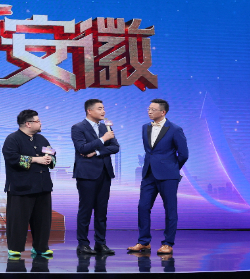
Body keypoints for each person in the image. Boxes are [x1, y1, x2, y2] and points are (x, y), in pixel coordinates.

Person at [127, 99, 189, 255]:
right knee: (143, 207)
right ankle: (144, 242)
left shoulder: (175, 129)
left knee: (170, 209)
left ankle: (168, 243)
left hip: (168, 175)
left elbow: (184, 154)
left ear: (163, 112)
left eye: (153, 109)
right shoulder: (145, 127)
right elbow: (150, 151)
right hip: (149, 174)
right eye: (148, 109)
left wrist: (172, 168)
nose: (149, 112)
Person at [3, 109, 56, 258]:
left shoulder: (42, 139)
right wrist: (35, 159)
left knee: (43, 220)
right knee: (18, 220)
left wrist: (50, 159)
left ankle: (41, 247)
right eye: (38, 121)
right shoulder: (12, 139)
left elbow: (52, 154)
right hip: (21, 187)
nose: (40, 123)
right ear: (28, 123)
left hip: (43, 185)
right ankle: (15, 248)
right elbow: (12, 158)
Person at [70, 99, 120, 255]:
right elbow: (82, 148)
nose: (103, 111)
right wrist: (103, 139)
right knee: (85, 209)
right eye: (100, 108)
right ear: (89, 111)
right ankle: (83, 244)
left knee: (101, 210)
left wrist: (97, 152)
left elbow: (115, 147)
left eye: (104, 108)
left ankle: (100, 243)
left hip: (104, 172)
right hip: (87, 174)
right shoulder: (78, 127)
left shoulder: (106, 127)